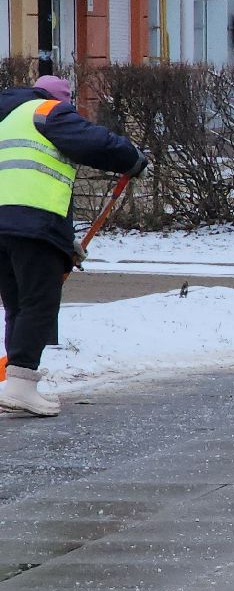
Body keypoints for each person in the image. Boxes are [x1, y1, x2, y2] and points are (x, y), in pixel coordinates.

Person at [0, 76, 147, 417]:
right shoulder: (46, 111)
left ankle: (17, 384)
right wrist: (133, 158)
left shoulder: (5, 119)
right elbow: (97, 143)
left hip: (7, 228)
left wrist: (65, 241)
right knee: (38, 303)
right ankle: (21, 385)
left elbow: (27, 178)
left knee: (18, 304)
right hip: (32, 225)